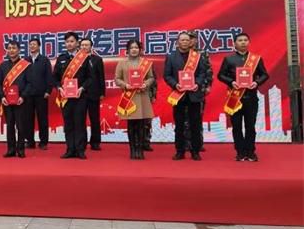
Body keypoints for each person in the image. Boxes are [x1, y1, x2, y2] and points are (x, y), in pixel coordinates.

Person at [217, 33, 269, 162]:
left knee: (250, 126)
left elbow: (265, 75)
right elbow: (220, 75)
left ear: (249, 42)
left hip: (251, 97)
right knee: (236, 126)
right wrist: (231, 82)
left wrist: (256, 82)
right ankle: (240, 152)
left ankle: (250, 152)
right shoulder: (229, 59)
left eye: (245, 40)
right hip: (235, 98)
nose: (243, 42)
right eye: (240, 40)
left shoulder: (256, 59)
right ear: (235, 43)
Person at [163, 32, 208, 161]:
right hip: (179, 94)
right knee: (179, 125)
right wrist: (175, 84)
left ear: (190, 42)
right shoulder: (171, 57)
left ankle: (195, 151)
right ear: (177, 42)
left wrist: (197, 84)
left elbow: (202, 73)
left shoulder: (197, 57)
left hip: (194, 94)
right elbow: (167, 75)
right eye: (182, 40)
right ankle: (180, 151)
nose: (184, 42)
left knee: (195, 124)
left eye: (187, 40)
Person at [53, 32, 92, 159]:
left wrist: (82, 88)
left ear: (77, 43)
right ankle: (70, 149)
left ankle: (80, 150)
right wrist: (59, 88)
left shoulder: (84, 58)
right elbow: (54, 78)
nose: (69, 44)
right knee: (68, 123)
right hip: (65, 97)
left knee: (80, 123)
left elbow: (90, 78)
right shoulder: (61, 58)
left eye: (71, 41)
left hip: (80, 96)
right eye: (67, 42)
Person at [114, 40, 155, 159]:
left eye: (136, 47)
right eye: (131, 48)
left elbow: (151, 78)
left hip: (142, 96)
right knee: (131, 125)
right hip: (129, 97)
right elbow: (117, 79)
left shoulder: (145, 63)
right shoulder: (122, 63)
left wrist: (145, 84)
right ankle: (133, 150)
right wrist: (125, 85)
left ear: (140, 49)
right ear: (127, 50)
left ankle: (140, 150)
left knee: (142, 125)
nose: (134, 50)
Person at [0, 41, 31, 158]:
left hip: (21, 100)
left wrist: (23, 96)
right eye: (9, 48)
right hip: (7, 101)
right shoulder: (3, 65)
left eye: (14, 48)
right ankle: (10, 149)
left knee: (21, 126)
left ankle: (21, 149)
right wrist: (2, 96)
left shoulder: (25, 65)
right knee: (10, 126)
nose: (11, 50)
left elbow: (29, 83)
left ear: (19, 50)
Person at [24, 38, 53, 150]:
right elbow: (22, 78)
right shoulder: (25, 60)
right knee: (28, 119)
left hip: (41, 94)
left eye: (34, 44)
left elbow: (49, 76)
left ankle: (43, 142)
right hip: (28, 95)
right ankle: (30, 141)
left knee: (42, 119)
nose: (32, 46)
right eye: (30, 44)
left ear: (39, 46)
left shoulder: (44, 60)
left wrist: (48, 91)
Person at [80, 38, 106, 151]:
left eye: (86, 45)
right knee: (81, 119)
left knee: (94, 119)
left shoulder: (97, 59)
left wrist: (102, 92)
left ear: (91, 47)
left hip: (94, 93)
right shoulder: (76, 61)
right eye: (82, 45)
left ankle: (95, 142)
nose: (84, 47)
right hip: (80, 94)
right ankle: (82, 142)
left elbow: (101, 76)